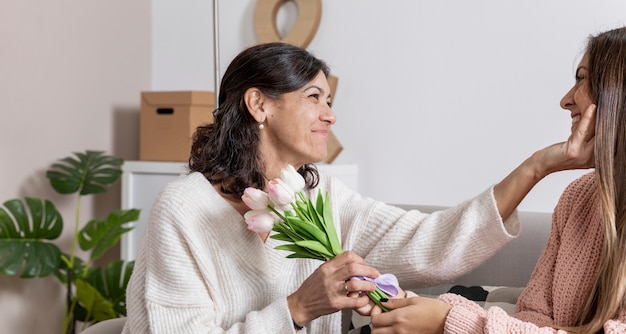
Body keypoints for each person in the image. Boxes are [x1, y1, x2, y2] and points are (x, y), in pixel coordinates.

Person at [122, 42, 594, 334]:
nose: (330, 114)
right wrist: (295, 309)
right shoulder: (184, 209)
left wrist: (540, 165)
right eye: (313, 98)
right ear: (258, 105)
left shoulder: (318, 194)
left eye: (330, 101)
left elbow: (430, 245)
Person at [369, 26, 626, 334]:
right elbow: (531, 317)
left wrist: (449, 321)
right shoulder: (578, 198)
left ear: (617, 92)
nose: (566, 100)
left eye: (581, 78)